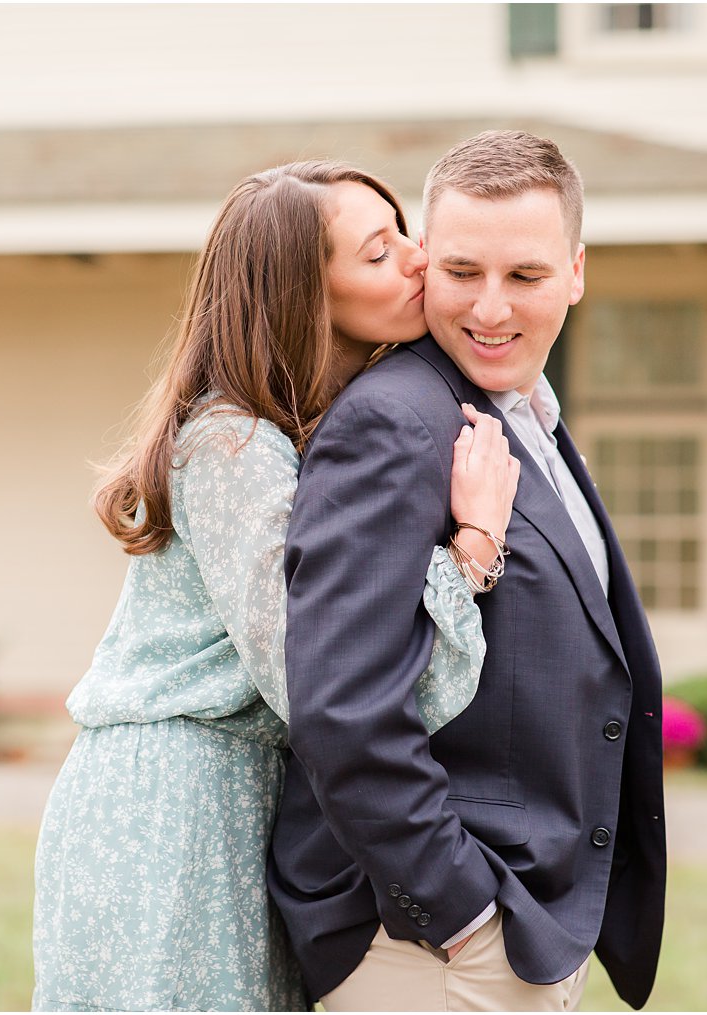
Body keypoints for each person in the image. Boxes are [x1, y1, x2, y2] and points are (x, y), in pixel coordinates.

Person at [31, 160, 520, 1012]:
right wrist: (475, 543)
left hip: (239, 796)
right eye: (379, 253)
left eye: (404, 232)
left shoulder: (309, 430)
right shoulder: (232, 447)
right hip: (173, 802)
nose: (418, 258)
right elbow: (321, 681)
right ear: (303, 296)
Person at [270, 130, 668, 1011]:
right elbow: (342, 706)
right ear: (425, 266)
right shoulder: (393, 424)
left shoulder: (525, 412)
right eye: (460, 273)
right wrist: (461, 916)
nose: (490, 308)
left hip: (521, 931)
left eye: (524, 276)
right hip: (424, 949)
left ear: (575, 271)